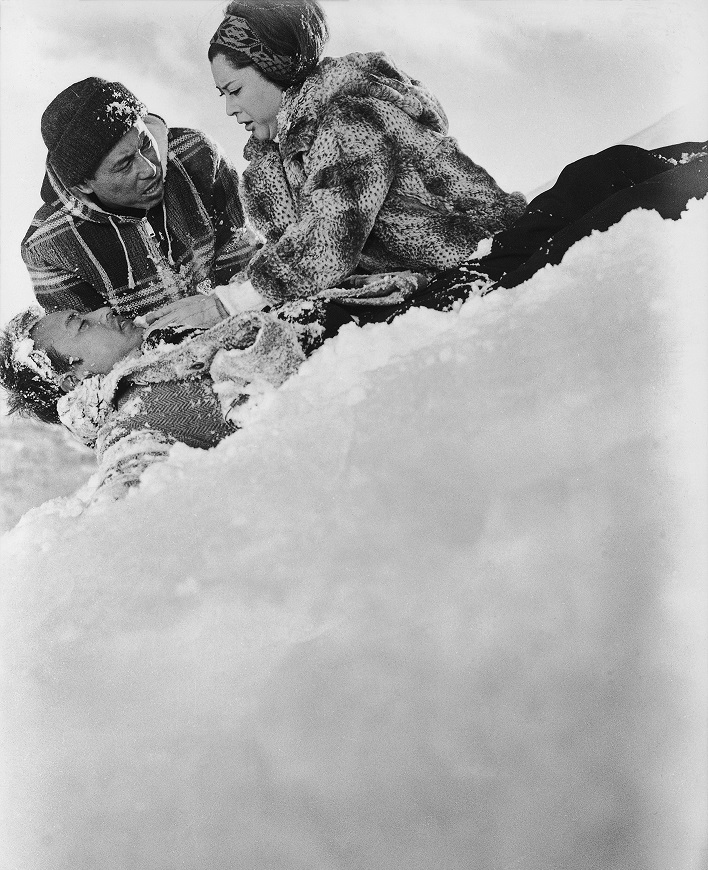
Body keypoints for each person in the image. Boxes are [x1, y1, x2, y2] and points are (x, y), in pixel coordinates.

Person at [149, 0, 526, 330]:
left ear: (276, 69)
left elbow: (329, 239)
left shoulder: (348, 120)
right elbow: (299, 252)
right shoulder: (284, 156)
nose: (229, 108)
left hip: (490, 256)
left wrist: (226, 304)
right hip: (433, 276)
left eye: (235, 90)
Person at [0, 303, 327, 500]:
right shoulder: (127, 425)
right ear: (74, 379)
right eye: (82, 324)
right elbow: (127, 499)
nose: (103, 312)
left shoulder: (158, 351)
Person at [21, 76, 260, 324]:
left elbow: (246, 260)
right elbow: (99, 348)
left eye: (145, 144)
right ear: (83, 184)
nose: (149, 169)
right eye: (124, 165)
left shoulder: (198, 155)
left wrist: (221, 308)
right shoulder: (47, 248)